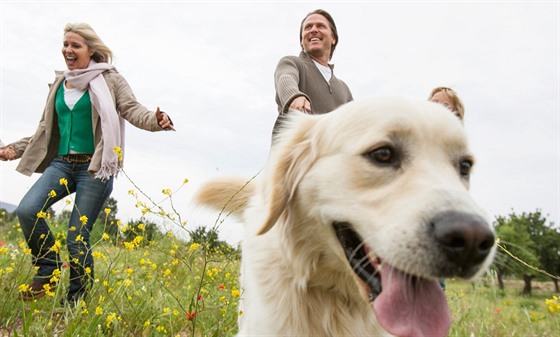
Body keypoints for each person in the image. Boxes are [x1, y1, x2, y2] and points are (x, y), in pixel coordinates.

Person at [0, 23, 174, 306]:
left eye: (75, 45)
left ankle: (75, 303)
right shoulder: (60, 83)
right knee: (28, 211)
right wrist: (13, 149)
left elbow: (132, 109)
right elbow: (44, 131)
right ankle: (48, 270)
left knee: (75, 237)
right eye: (65, 44)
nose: (68, 50)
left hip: (94, 167)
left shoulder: (111, 80)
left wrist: (157, 120)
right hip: (61, 163)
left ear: (91, 50)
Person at [273, 9, 353, 136]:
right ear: (301, 41)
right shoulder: (291, 63)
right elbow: (285, 78)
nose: (313, 30)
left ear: (333, 38)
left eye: (320, 26)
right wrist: (294, 96)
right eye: (308, 27)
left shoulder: (344, 89)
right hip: (298, 153)